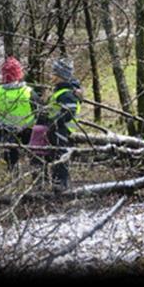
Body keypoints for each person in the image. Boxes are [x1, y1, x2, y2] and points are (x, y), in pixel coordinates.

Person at [0, 56, 40, 172]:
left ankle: (12, 171)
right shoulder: (28, 92)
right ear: (19, 74)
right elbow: (39, 109)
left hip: (7, 128)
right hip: (28, 128)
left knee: (10, 154)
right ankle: (35, 170)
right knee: (35, 153)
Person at [46, 58, 81, 191]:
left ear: (61, 76)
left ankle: (61, 186)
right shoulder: (61, 91)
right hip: (57, 131)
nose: (51, 76)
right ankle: (58, 184)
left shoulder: (66, 94)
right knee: (56, 157)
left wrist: (54, 123)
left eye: (53, 73)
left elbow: (69, 112)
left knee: (60, 158)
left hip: (62, 131)